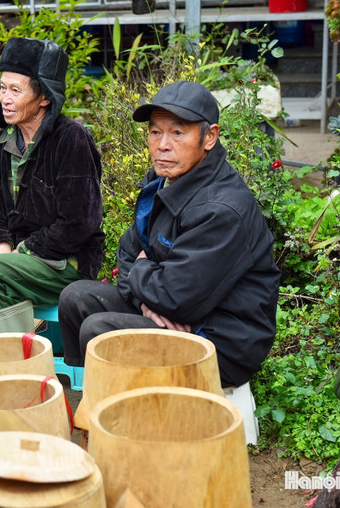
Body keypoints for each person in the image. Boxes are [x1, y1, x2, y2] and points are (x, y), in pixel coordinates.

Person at [58, 81, 280, 388]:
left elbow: (176, 299)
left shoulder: (221, 209)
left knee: (101, 330)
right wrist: (148, 302)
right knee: (76, 297)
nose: (162, 144)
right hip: (178, 314)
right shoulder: (164, 180)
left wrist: (143, 271)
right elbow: (127, 252)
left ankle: (134, 419)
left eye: (178, 132)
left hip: (220, 341)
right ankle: (102, 397)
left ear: (209, 137)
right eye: (155, 132)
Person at [0, 37, 104, 337]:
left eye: (16, 90)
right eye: (3, 87)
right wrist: (2, 246)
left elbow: (80, 223)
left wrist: (23, 250)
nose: (5, 98)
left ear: (44, 97)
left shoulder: (71, 139)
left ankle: (17, 361)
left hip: (63, 262)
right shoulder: (5, 139)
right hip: (18, 254)